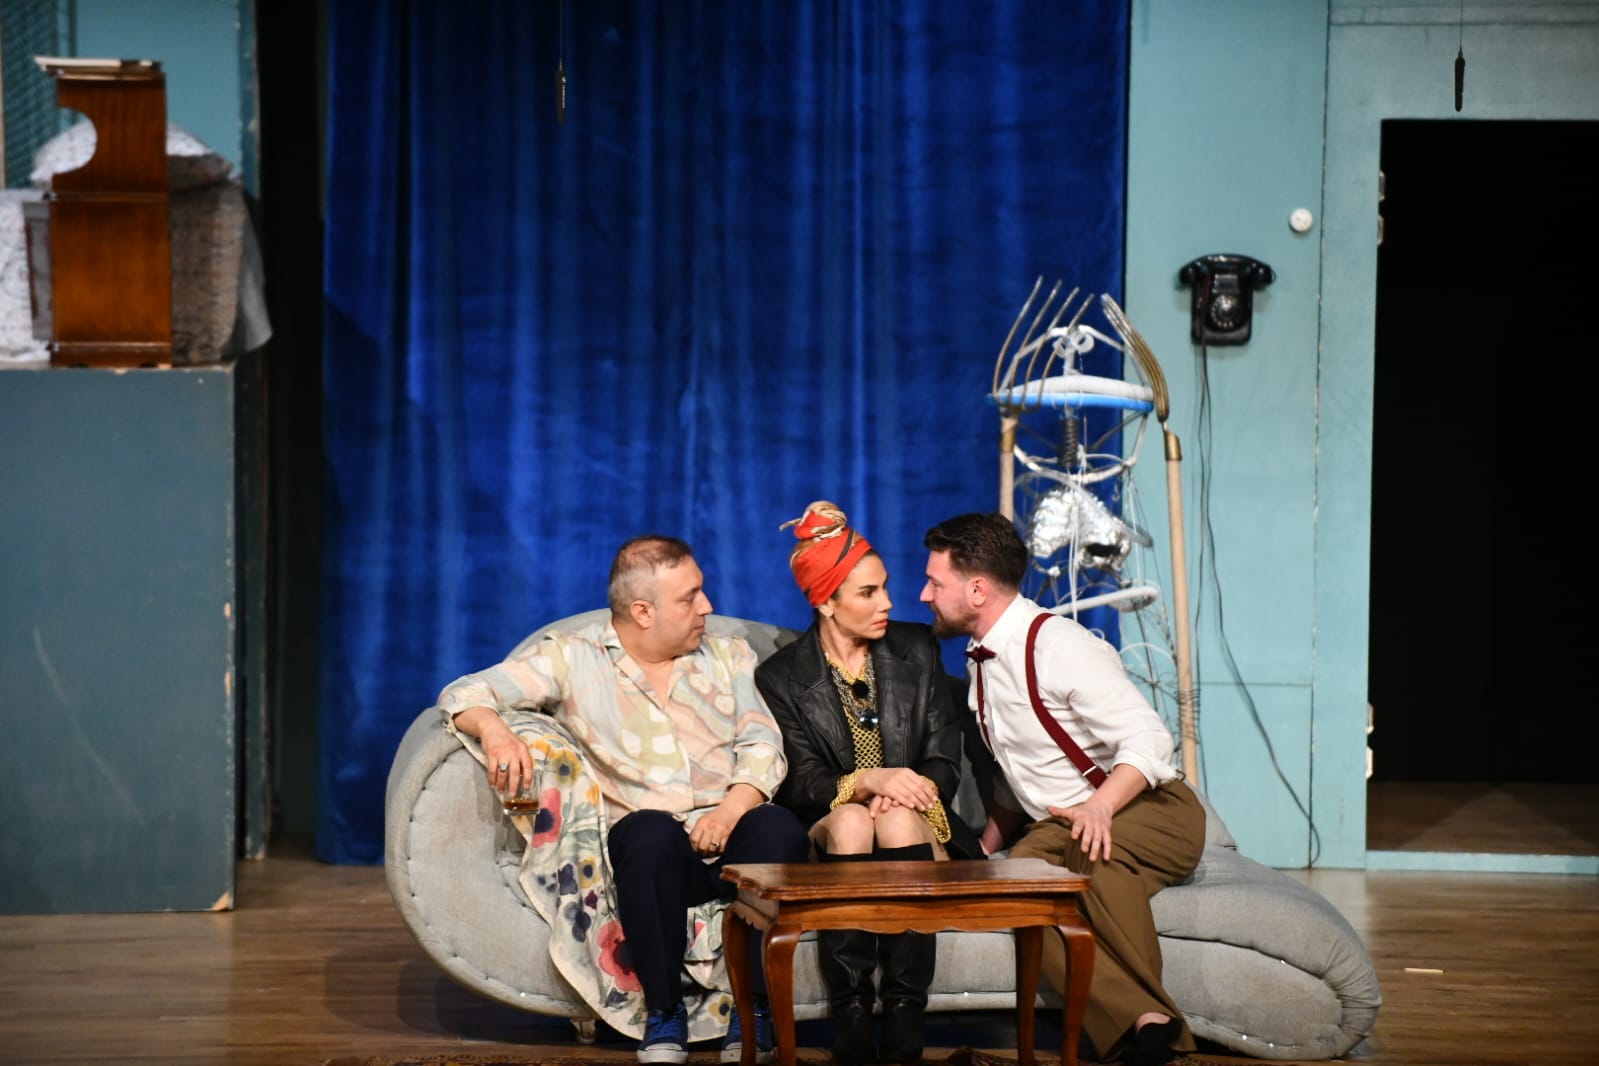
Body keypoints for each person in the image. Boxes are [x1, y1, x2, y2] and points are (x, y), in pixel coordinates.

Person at [435, 535, 812, 1066]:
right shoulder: (572, 658)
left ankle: (754, 1012)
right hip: (651, 860)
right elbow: (464, 693)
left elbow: (762, 744)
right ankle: (664, 1013)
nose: (707, 607)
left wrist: (730, 811)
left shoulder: (729, 655)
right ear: (642, 612)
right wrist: (495, 731)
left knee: (779, 828)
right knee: (647, 832)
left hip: (731, 837)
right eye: (690, 597)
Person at [919, 512, 1206, 1066]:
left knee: (1091, 860)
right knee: (1021, 888)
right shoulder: (982, 662)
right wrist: (983, 850)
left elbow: (1150, 738)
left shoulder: (1058, 645)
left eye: (935, 582)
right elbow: (1021, 778)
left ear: (977, 590)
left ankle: (1157, 1025)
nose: (925, 594)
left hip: (1151, 808)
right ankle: (1141, 1024)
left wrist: (1099, 806)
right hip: (1060, 824)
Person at [754, 501, 982, 1065]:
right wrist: (866, 782)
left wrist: (901, 790)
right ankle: (852, 1021)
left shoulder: (918, 648)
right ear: (825, 602)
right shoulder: (781, 677)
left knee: (895, 819)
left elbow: (943, 758)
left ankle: (905, 1026)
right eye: (868, 593)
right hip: (837, 829)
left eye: (885, 588)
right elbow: (800, 782)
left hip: (915, 819)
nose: (888, 603)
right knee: (856, 821)